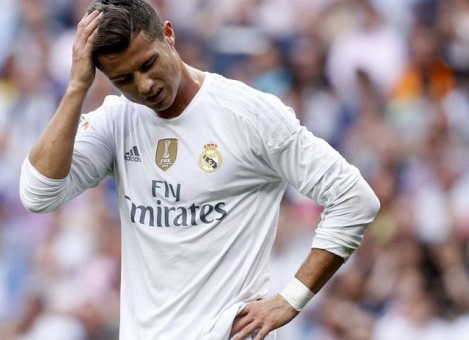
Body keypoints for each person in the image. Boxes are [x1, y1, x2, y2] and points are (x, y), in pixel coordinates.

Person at [19, 0, 381, 339]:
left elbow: (354, 199)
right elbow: (38, 193)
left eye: (147, 64)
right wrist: (77, 87)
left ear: (169, 35)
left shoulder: (247, 114)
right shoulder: (118, 121)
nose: (144, 86)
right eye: (124, 79)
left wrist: (290, 299)